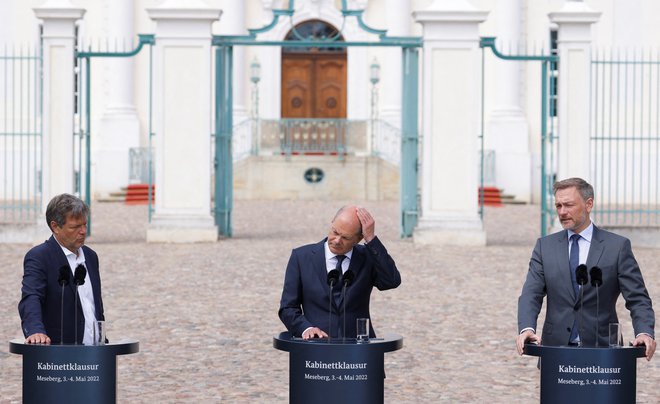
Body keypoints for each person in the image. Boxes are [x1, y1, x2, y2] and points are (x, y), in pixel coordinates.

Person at [516, 178, 656, 360]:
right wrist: (526, 328)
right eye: (558, 206)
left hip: (604, 352)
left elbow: (638, 298)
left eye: (568, 205)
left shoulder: (617, 247)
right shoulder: (545, 247)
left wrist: (644, 332)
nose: (562, 212)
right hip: (555, 352)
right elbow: (531, 293)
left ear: (589, 204)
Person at [278, 205, 401, 340]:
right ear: (332, 222)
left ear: (358, 238)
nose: (337, 241)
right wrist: (306, 328)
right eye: (335, 232)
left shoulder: (368, 257)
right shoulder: (301, 257)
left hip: (359, 349)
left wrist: (371, 239)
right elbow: (287, 308)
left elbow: (391, 281)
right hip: (315, 348)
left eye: (345, 238)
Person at [18, 193, 105, 344]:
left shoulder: (91, 257)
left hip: (96, 353)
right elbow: (32, 297)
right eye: (75, 227)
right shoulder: (40, 256)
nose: (83, 231)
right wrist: (35, 330)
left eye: (85, 224)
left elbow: (93, 304)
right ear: (55, 227)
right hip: (59, 355)